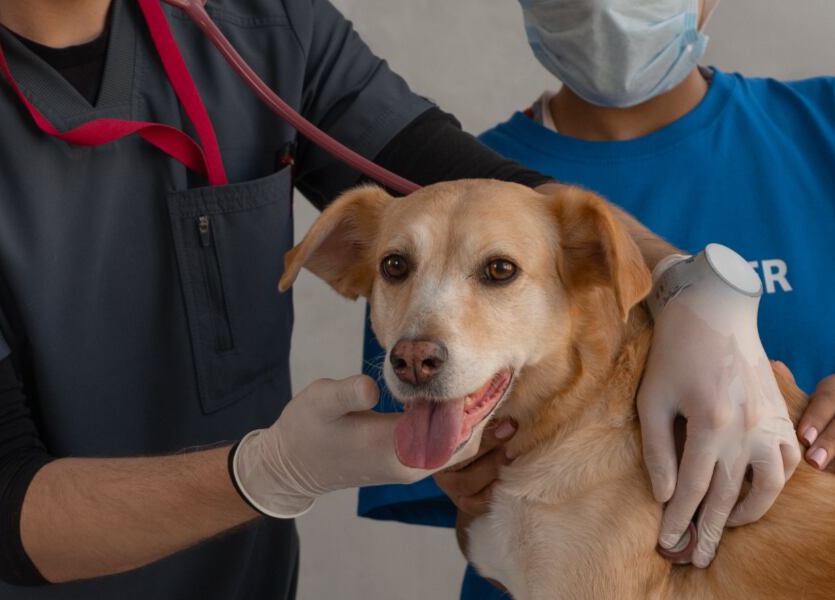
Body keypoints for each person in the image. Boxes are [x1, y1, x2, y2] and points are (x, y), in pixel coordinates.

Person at [0, 0, 792, 599]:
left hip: (234, 583)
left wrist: (693, 288)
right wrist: (279, 469)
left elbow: (467, 190)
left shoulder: (251, 23)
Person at [358, 0, 835, 597]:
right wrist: (473, 488)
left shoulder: (825, 124)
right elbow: (467, 521)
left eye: (500, 269)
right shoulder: (442, 204)